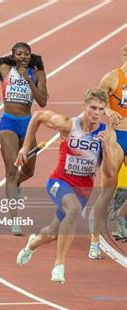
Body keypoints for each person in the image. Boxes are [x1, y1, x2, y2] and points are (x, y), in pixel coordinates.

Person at [15, 88, 120, 284]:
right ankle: (59, 265)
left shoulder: (107, 134)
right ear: (85, 106)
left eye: (100, 109)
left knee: (53, 233)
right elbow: (38, 116)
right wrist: (25, 147)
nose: (96, 113)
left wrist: (106, 148)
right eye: (93, 108)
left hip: (83, 189)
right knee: (73, 210)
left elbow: (111, 172)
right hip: (59, 181)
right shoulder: (69, 124)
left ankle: (32, 244)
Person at [0, 42, 48, 235]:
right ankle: (14, 220)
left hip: (27, 123)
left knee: (29, 171)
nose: (23, 57)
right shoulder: (4, 69)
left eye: (26, 54)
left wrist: (29, 80)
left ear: (30, 55)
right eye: (19, 54)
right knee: (10, 170)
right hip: (8, 122)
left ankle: (16, 184)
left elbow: (42, 101)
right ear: (14, 55)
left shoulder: (38, 73)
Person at [88, 45, 127, 258]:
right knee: (107, 191)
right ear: (124, 54)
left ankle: (121, 214)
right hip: (117, 138)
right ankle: (94, 240)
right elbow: (97, 102)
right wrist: (110, 110)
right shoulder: (112, 78)